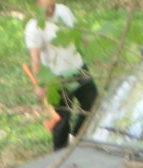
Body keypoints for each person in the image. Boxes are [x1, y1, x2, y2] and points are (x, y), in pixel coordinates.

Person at [24, 0, 97, 151]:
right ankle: (59, 152)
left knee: (93, 103)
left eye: (51, 3)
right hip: (56, 78)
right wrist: (39, 84)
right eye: (45, 3)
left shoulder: (64, 10)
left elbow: (77, 32)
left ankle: (77, 137)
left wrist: (93, 42)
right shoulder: (34, 27)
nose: (49, 6)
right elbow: (35, 59)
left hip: (78, 68)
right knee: (62, 119)